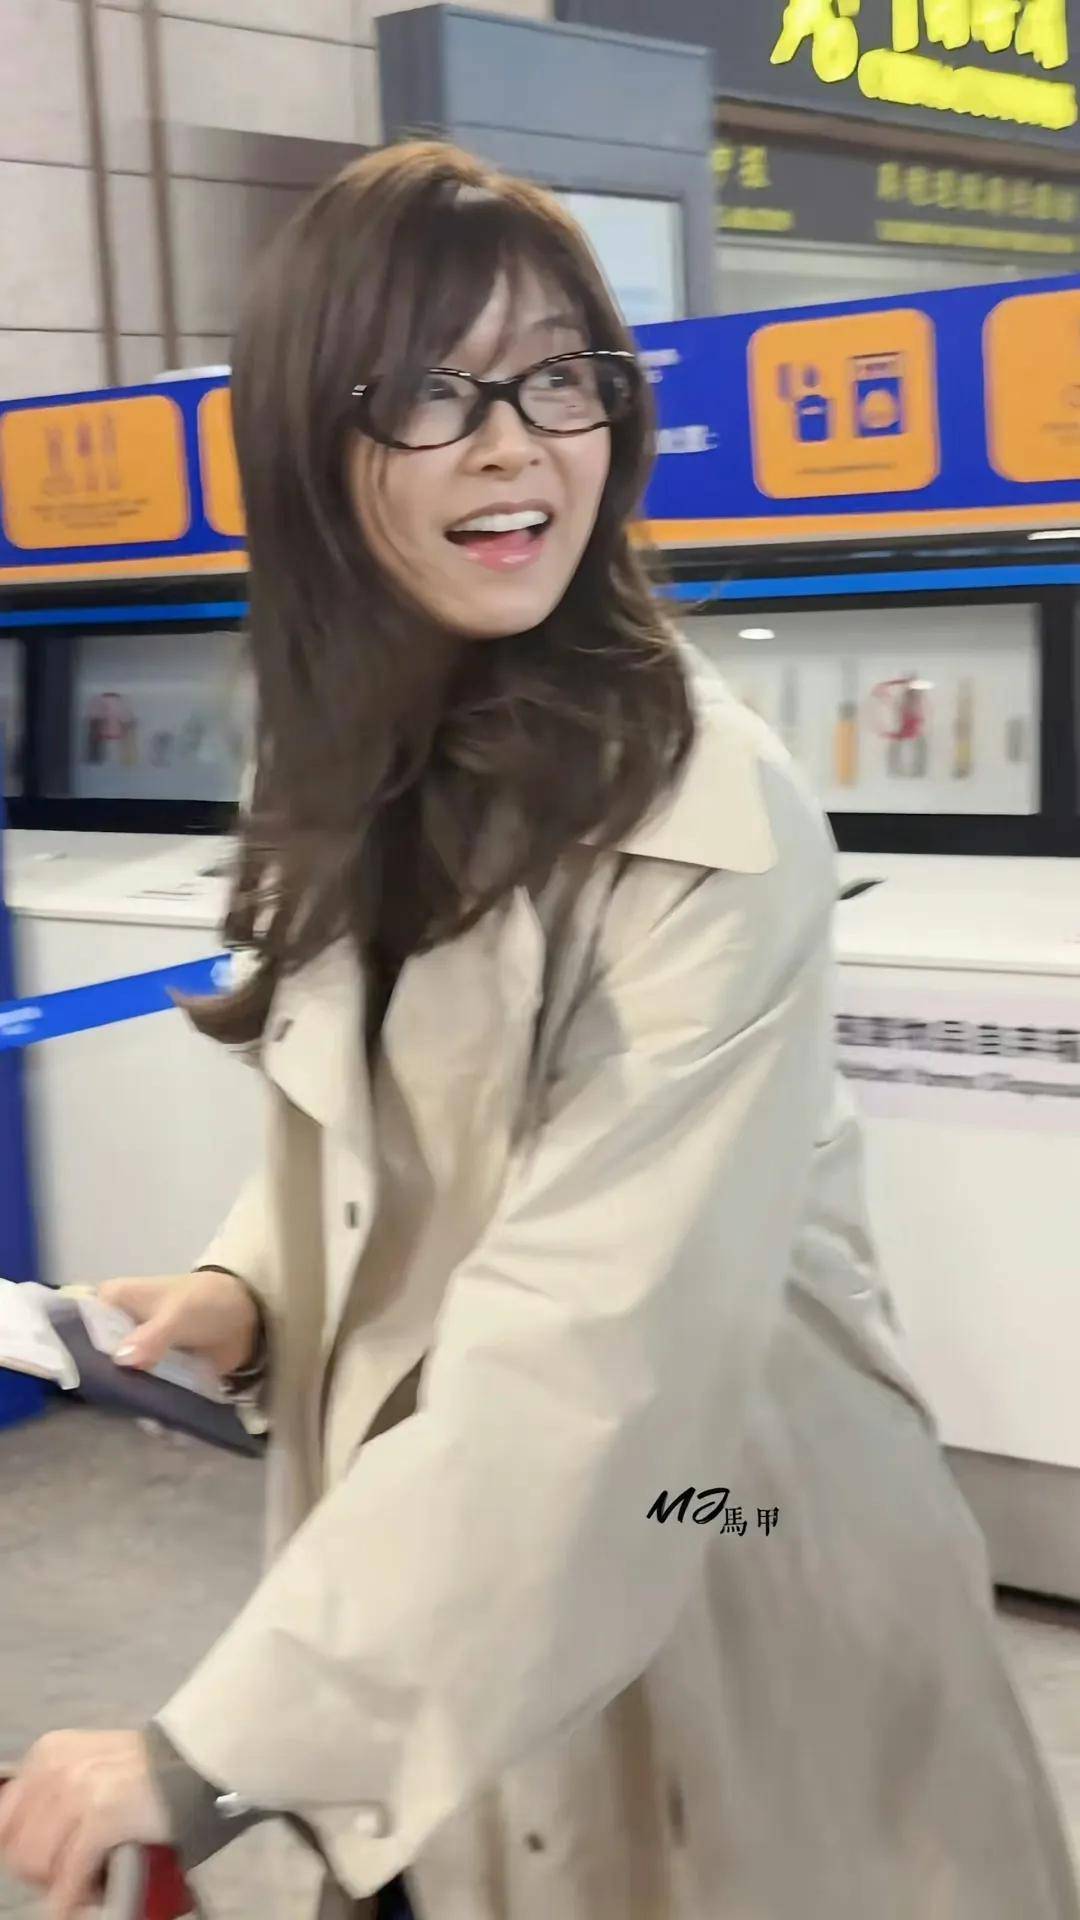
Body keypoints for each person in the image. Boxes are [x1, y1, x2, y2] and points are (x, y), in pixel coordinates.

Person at [1, 142, 1076, 1920]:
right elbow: (385, 1120)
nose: (512, 445)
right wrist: (245, 1287)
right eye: (431, 391)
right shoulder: (355, 753)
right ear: (312, 442)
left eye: (556, 378)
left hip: (710, 1532)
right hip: (470, 1557)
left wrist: (215, 1755)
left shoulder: (710, 817)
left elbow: (596, 1358)